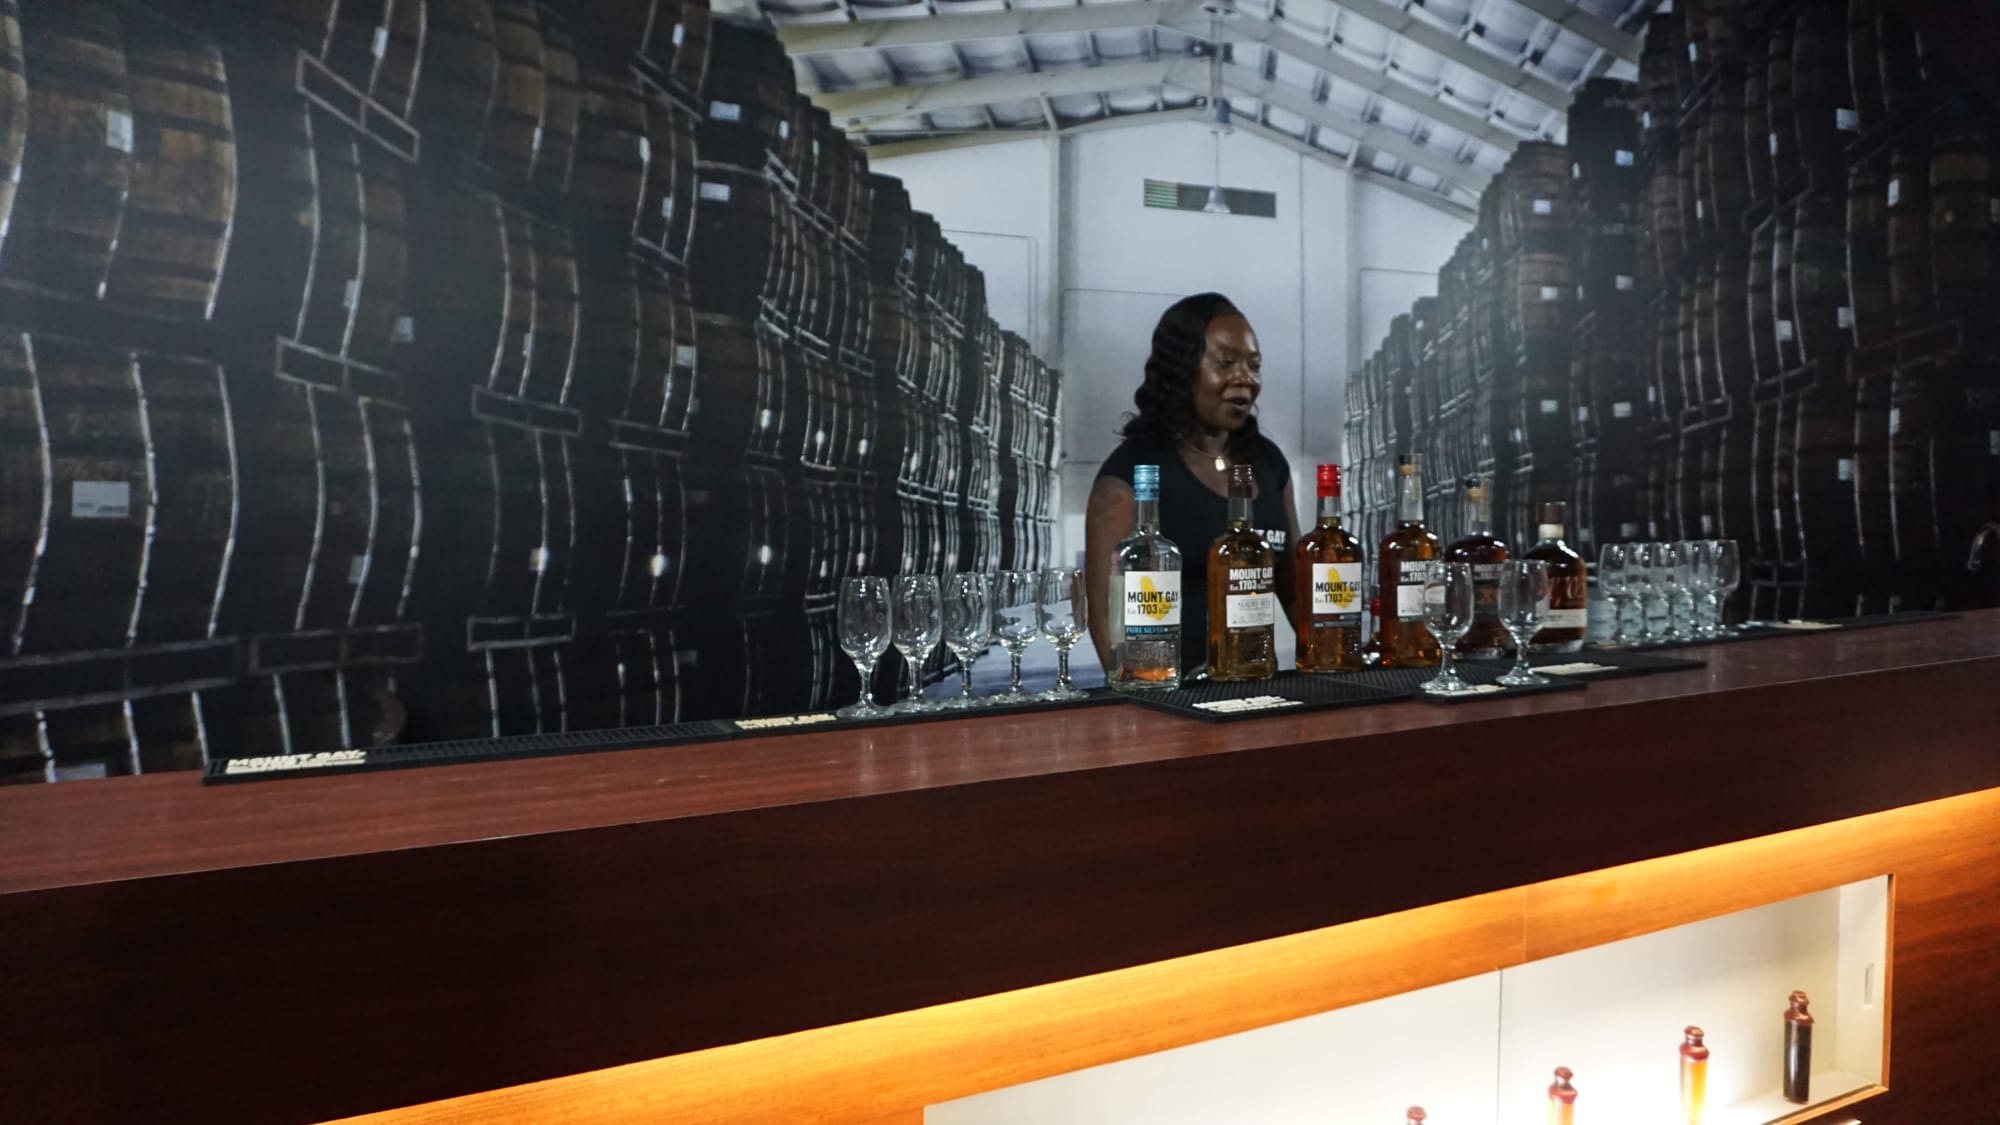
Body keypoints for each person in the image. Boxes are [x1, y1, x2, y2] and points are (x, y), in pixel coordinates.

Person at [1084, 293, 1299, 677]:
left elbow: (1298, 595)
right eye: (1225, 363)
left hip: (1257, 688)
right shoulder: (1131, 475)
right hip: (1173, 695)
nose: (1245, 378)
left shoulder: (1269, 463)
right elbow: (1107, 624)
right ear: (1181, 370)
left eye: (1254, 365)